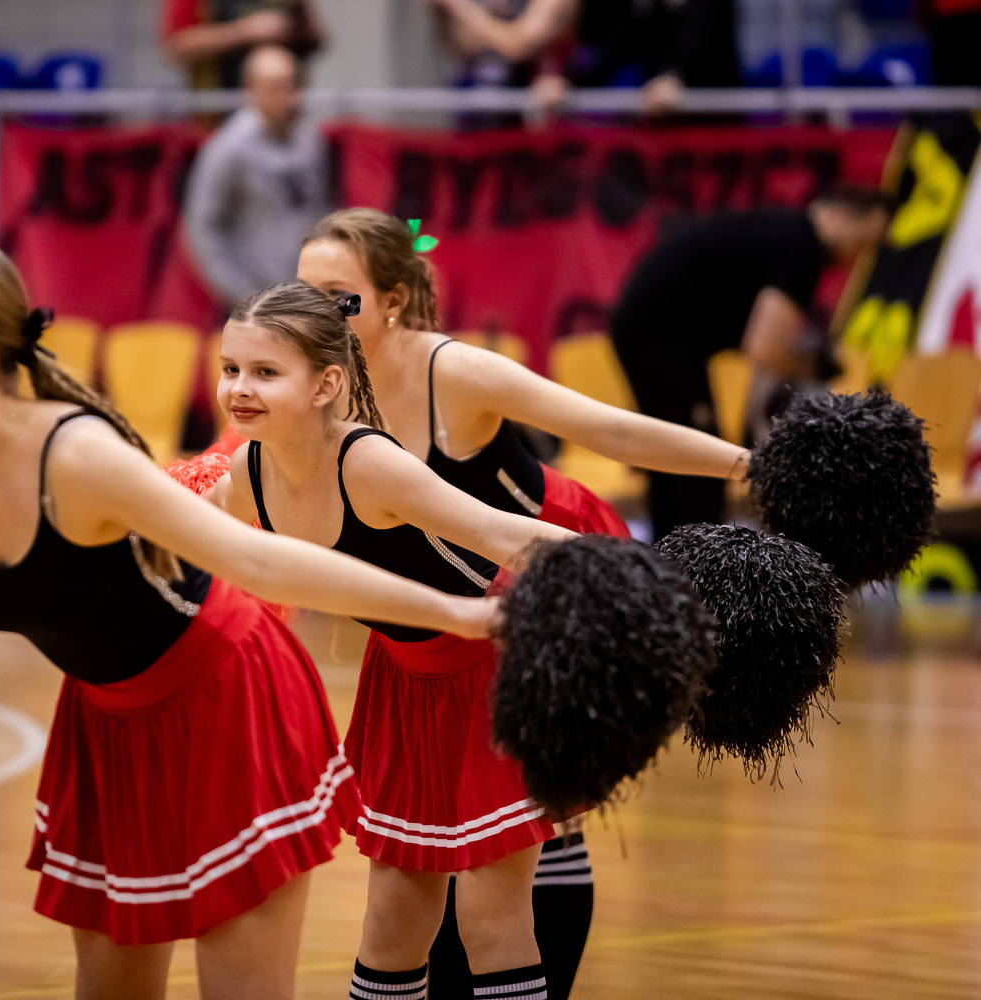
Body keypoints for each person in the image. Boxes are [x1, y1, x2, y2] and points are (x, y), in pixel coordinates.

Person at [0, 238, 512, 1000]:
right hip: (104, 724)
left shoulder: (77, 457)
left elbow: (255, 560)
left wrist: (456, 613)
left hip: (221, 697)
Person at [297, 206, 748, 997]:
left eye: (339, 295)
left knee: (540, 827)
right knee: (437, 861)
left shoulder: (453, 373)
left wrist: (750, 465)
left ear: (394, 300)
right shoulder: (313, 391)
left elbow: (615, 431)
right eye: (303, 292)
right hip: (441, 610)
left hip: (550, 569)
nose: (316, 313)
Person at [205, 282, 578, 1000]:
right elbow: (185, 537)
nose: (240, 388)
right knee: (391, 925)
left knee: (490, 922)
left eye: (265, 372)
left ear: (326, 385)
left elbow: (502, 534)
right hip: (403, 683)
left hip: (493, 667)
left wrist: (647, 577)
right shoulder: (248, 474)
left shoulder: (367, 462)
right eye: (230, 369)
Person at [610, 189, 895, 540]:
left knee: (670, 458)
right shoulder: (803, 246)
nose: (856, 256)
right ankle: (699, 567)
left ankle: (667, 564)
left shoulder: (785, 232)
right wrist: (812, 367)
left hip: (644, 321)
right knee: (700, 463)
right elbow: (764, 348)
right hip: (657, 329)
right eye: (862, 242)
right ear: (839, 216)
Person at [182, 44, 327, 309]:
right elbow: (202, 227)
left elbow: (317, 211)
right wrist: (242, 294)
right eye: (278, 87)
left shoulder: (309, 140)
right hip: (255, 302)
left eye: (296, 85)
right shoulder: (227, 149)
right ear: (251, 90)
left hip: (303, 296)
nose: (292, 98)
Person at [423, 0, 741, 115]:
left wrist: (458, 6)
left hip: (570, 120)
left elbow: (519, 44)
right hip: (503, 104)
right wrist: (441, 13)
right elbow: (464, 45)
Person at [161, 0, 323, 89]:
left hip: (284, 114)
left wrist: (293, 29)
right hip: (219, 110)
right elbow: (177, 46)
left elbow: (316, 38)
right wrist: (245, 31)